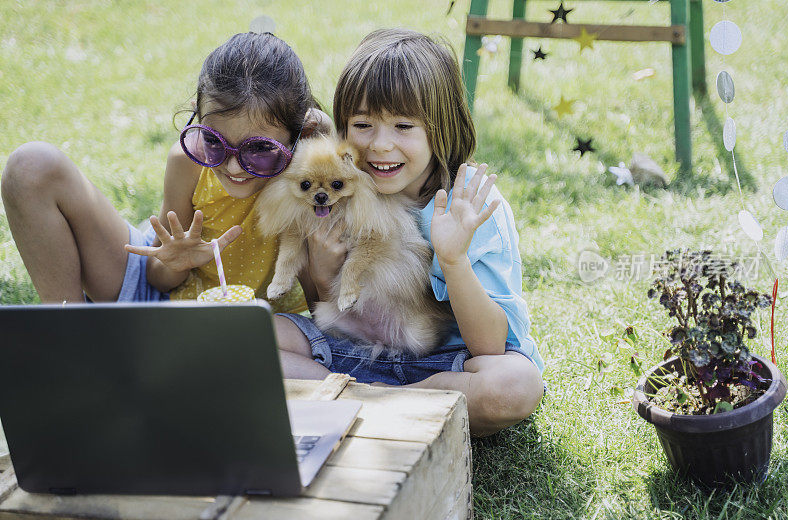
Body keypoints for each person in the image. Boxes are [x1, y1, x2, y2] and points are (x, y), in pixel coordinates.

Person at [274, 29, 545, 436]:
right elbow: (325, 313)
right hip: (352, 356)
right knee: (248, 338)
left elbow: (490, 346)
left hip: (448, 366)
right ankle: (383, 404)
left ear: (440, 129)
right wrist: (324, 269)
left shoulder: (471, 204)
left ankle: (363, 404)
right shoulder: (333, 189)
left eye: (403, 125)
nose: (381, 145)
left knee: (515, 386)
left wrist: (453, 261)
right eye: (363, 125)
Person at [1, 32, 329, 318]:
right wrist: (176, 261)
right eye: (213, 141)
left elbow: (322, 303)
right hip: (159, 299)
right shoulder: (189, 160)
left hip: (258, 323)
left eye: (258, 148)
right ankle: (69, 339)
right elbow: (157, 277)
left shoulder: (306, 176)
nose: (232, 167)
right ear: (196, 115)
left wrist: (322, 132)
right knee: (30, 166)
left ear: (300, 135)